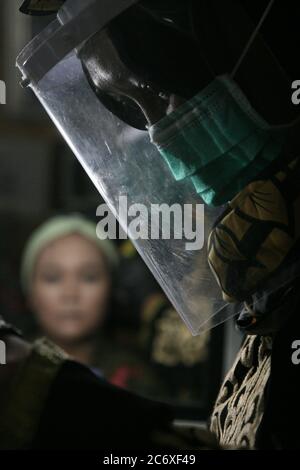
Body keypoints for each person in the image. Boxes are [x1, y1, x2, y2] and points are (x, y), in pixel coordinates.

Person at [17, 0, 300, 449]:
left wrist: (54, 406)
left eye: (156, 84)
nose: (156, 131)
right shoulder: (266, 270)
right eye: (130, 107)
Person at [21, 214, 165, 396]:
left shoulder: (138, 378)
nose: (70, 294)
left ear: (111, 289)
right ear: (30, 294)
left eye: (89, 277)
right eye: (53, 278)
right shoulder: (8, 372)